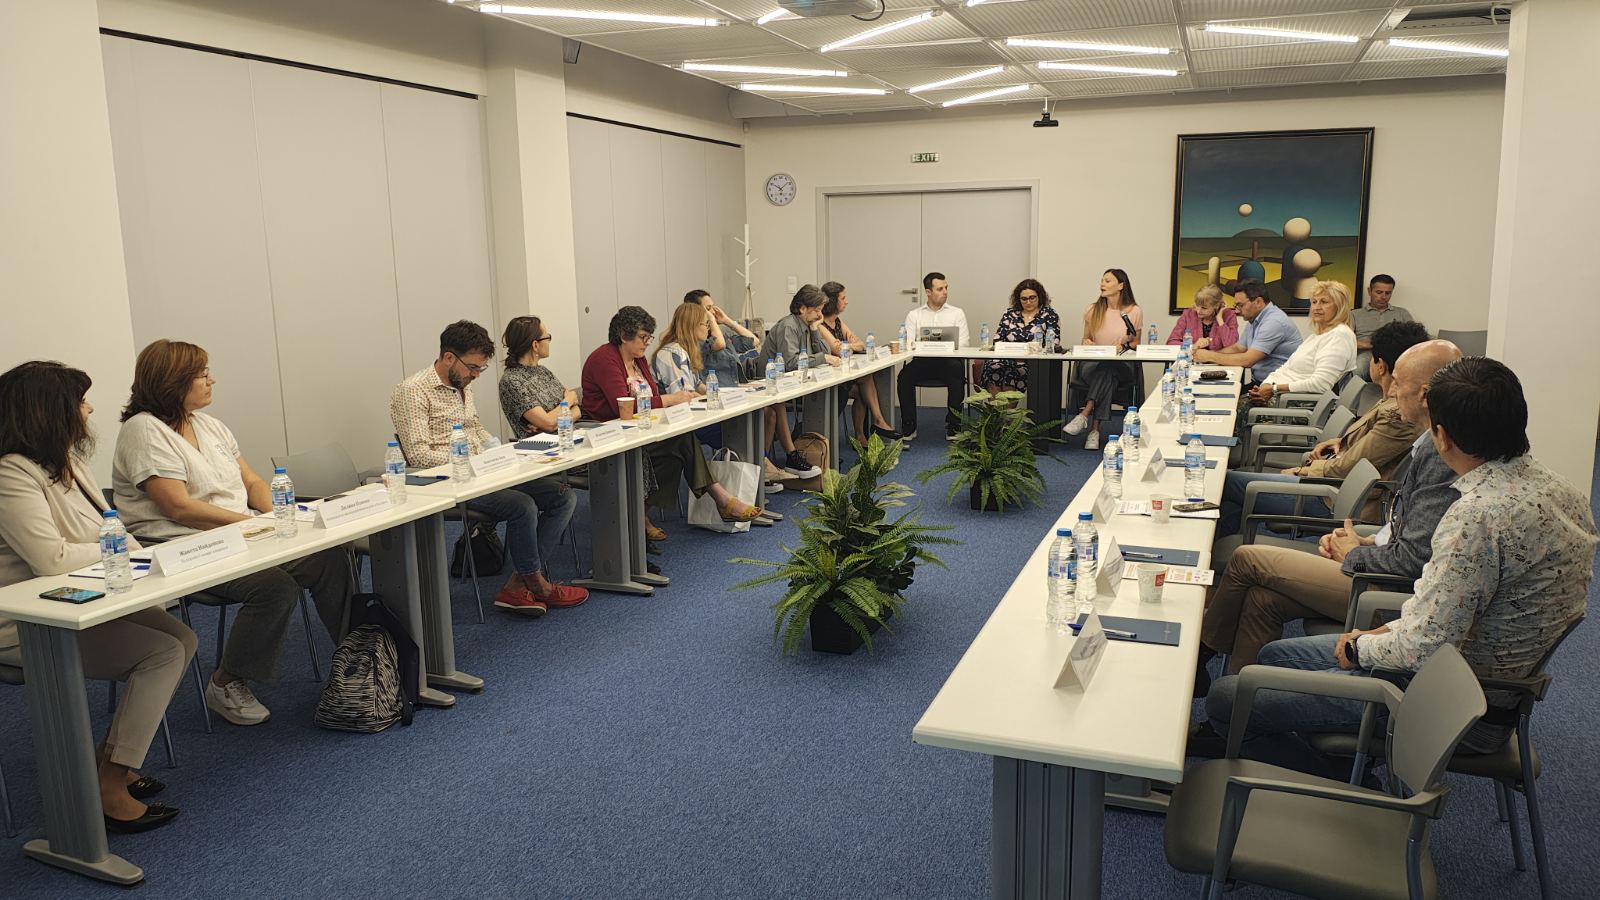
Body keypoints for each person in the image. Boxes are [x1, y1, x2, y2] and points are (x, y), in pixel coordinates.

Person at [1202, 357, 1597, 778]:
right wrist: (1383, 633)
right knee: (1273, 655)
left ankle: (1345, 783)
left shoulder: (1478, 517)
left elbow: (1422, 648)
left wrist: (1358, 647)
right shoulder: (1563, 491)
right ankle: (1331, 758)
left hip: (1442, 705)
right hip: (1472, 682)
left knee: (1227, 697)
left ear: (1442, 436)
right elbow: (1448, 613)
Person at [114, 340, 355, 727]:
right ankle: (226, 682)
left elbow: (253, 482)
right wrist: (249, 525)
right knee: (274, 587)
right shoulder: (143, 430)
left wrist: (280, 516)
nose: (212, 380)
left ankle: (357, 656)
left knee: (327, 558)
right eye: (202, 374)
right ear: (173, 381)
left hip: (243, 535)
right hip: (186, 548)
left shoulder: (208, 425)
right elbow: (177, 507)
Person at [1197, 338, 1462, 688]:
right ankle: (1235, 702)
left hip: (1383, 589)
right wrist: (1367, 540)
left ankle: (1199, 655)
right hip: (1375, 560)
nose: (1391, 390)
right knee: (1263, 599)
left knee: (1246, 558)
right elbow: (1412, 533)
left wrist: (1355, 553)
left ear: (1425, 394)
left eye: (1399, 383)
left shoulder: (1443, 455)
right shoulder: (1430, 442)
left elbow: (1412, 560)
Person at [0, 361, 196, 833]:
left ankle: (108, 764)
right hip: (28, 621)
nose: (89, 409)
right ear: (50, 411)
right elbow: (51, 558)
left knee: (183, 639)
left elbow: (113, 529)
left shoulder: (66, 462)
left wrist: (123, 550)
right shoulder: (10, 473)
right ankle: (108, 785)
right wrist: (120, 551)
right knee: (162, 653)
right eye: (80, 401)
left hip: (82, 599)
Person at [392, 321, 585, 616]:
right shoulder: (413, 391)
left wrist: (496, 450)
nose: (476, 375)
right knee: (523, 506)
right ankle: (537, 584)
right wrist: (472, 458)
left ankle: (519, 583)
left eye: (480, 369)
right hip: (449, 481)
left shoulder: (462, 385)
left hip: (484, 470)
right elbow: (419, 455)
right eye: (473, 368)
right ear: (448, 357)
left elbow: (476, 429)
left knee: (563, 496)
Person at [1215, 320, 1432, 535]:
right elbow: (1371, 446)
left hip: (1329, 496)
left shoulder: (1396, 414)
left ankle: (1236, 540)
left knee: (1223, 482)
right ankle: (1235, 535)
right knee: (1230, 499)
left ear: (1380, 365)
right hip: (1331, 482)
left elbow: (1348, 466)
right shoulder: (1392, 403)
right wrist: (1341, 441)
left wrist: (1302, 470)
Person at [582, 306, 763, 526]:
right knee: (681, 444)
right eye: (643, 337)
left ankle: (643, 516)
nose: (647, 342)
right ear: (623, 336)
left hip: (641, 428)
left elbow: (652, 395)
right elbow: (624, 406)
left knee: (680, 445)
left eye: (649, 337)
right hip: (609, 435)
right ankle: (720, 499)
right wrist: (668, 400)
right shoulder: (605, 359)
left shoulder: (637, 359)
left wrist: (663, 401)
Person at [1062, 269, 1144, 450]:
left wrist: (1123, 343)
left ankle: (1085, 415)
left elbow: (1136, 343)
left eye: (1107, 281)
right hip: (1093, 365)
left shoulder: (1133, 311)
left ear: (1121, 285)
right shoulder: (1093, 310)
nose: (1102, 284)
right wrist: (1087, 342)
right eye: (1102, 280)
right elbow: (1085, 339)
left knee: (1109, 368)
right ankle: (1094, 430)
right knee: (1107, 371)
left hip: (1122, 367)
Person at [755, 285, 831, 480]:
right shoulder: (789, 326)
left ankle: (776, 460)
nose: (820, 315)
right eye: (816, 310)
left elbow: (825, 353)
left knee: (778, 405)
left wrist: (815, 329)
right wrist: (823, 358)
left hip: (786, 383)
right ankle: (788, 456)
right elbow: (790, 363)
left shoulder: (806, 325)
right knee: (777, 405)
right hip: (767, 384)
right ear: (802, 308)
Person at [1241, 279, 1357, 405]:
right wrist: (1266, 385)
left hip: (1293, 403)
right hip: (1279, 395)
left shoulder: (1339, 335)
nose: (1317, 307)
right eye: (1314, 302)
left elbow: (1321, 384)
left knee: (1233, 406)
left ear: (1340, 306)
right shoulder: (1317, 336)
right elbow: (1286, 368)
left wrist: (1273, 388)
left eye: (1324, 302)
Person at [818, 281, 900, 444]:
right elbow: (837, 350)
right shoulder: (820, 325)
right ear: (833, 301)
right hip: (830, 379)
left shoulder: (838, 322)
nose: (847, 301)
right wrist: (847, 346)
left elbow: (860, 344)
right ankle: (876, 424)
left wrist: (847, 346)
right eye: (843, 298)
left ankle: (863, 434)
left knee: (865, 387)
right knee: (865, 383)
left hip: (844, 373)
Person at [897, 272, 970, 440]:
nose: (945, 292)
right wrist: (934, 344)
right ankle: (909, 425)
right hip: (922, 362)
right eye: (940, 289)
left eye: (946, 288)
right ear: (928, 292)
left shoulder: (957, 313)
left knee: (957, 373)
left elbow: (964, 342)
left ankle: (954, 424)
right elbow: (908, 343)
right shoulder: (914, 315)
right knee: (904, 377)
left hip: (949, 362)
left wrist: (932, 343)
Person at [1192, 279, 1302, 386]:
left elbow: (1248, 360)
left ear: (1258, 302)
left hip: (1276, 388)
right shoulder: (1255, 319)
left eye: (1240, 305)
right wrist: (1206, 358)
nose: (1237, 310)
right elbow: (1238, 348)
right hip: (1263, 383)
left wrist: (1210, 356)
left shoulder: (1274, 322)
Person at [498, 315, 582, 440]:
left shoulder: (543, 372)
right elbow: (549, 423)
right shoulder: (512, 381)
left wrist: (552, 421)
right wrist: (569, 400)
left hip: (568, 437)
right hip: (544, 447)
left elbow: (577, 411)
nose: (549, 342)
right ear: (535, 345)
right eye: (547, 338)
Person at [980, 278, 1062, 394]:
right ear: (1019, 299)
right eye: (1024, 299)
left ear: (1039, 297)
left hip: (1032, 362)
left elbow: (1054, 343)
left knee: (1015, 371)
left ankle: (1008, 407)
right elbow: (997, 340)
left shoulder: (1049, 314)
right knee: (993, 367)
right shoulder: (1010, 313)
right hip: (1006, 358)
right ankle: (996, 406)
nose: (1028, 302)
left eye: (1032, 298)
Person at [687, 289, 761, 388]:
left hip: (734, 389)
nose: (713, 312)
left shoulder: (723, 337)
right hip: (715, 392)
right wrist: (711, 319)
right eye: (708, 308)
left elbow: (754, 341)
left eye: (713, 307)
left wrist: (727, 320)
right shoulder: (694, 341)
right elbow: (719, 344)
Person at [1349, 274, 1411, 372]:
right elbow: (1344, 340)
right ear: (1369, 291)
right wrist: (1366, 344)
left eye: (1388, 293)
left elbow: (1416, 335)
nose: (1383, 297)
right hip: (1369, 353)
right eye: (1379, 292)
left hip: (1397, 352)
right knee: (1360, 367)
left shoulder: (1402, 313)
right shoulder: (1354, 314)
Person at [651, 301, 712, 396]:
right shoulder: (673, 353)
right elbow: (684, 394)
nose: (708, 328)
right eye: (706, 323)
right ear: (693, 325)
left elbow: (698, 385)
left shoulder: (685, 350)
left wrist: (718, 395)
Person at [1167, 283, 1239, 351]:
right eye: (1197, 305)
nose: (1198, 311)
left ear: (1216, 306)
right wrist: (1194, 346)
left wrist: (1220, 320)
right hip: (1192, 359)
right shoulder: (1188, 314)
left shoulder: (1229, 316)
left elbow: (1233, 347)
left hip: (1218, 359)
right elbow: (1171, 343)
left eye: (1204, 308)